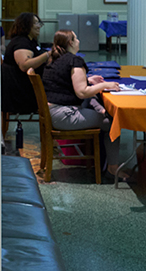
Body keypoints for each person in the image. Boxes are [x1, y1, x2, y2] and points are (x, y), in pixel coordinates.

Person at [40, 30, 130, 180]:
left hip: (52, 112)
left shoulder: (54, 59)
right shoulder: (75, 61)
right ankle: (113, 168)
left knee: (94, 101)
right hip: (64, 115)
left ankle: (100, 110)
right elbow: (82, 92)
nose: (79, 41)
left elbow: (63, 83)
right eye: (76, 38)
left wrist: (88, 80)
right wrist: (105, 85)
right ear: (71, 43)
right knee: (113, 122)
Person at [1, 13, 50, 151]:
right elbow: (24, 65)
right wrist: (47, 55)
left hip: (20, 90)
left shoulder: (30, 41)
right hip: (20, 95)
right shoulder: (21, 43)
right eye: (36, 23)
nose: (39, 26)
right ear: (26, 25)